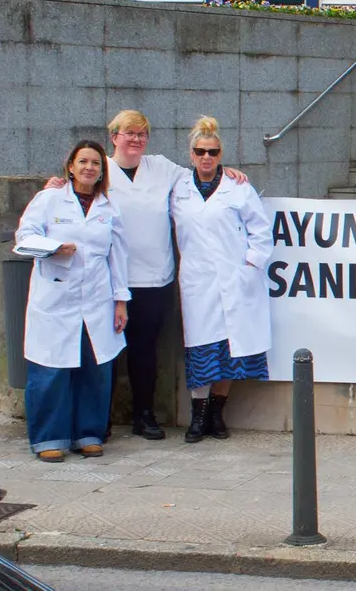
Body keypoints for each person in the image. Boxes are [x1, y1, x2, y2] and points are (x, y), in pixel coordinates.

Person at [46, 110, 246, 441]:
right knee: (105, 353)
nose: (136, 139)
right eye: (129, 133)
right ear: (114, 137)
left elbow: (201, 173)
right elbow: (73, 190)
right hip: (109, 278)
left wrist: (230, 174)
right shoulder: (100, 168)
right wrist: (55, 185)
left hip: (154, 279)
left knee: (144, 350)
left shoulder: (161, 168)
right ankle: (100, 420)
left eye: (142, 134)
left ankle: (144, 415)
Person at [16, 140, 130, 462]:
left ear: (102, 171)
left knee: (95, 369)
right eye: (83, 162)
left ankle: (88, 433)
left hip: (96, 300)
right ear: (71, 166)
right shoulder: (49, 199)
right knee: (51, 370)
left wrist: (121, 301)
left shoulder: (109, 208)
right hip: (55, 299)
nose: (89, 168)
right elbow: (24, 237)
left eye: (96, 163)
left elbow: (118, 257)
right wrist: (53, 248)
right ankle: (49, 438)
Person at [170, 116, 272, 443]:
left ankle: (216, 414)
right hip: (197, 282)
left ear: (220, 154)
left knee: (229, 350)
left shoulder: (238, 187)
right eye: (200, 151)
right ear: (191, 154)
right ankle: (197, 417)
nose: (206, 157)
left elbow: (261, 230)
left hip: (234, 279)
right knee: (201, 348)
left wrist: (250, 265)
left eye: (212, 152)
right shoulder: (178, 188)